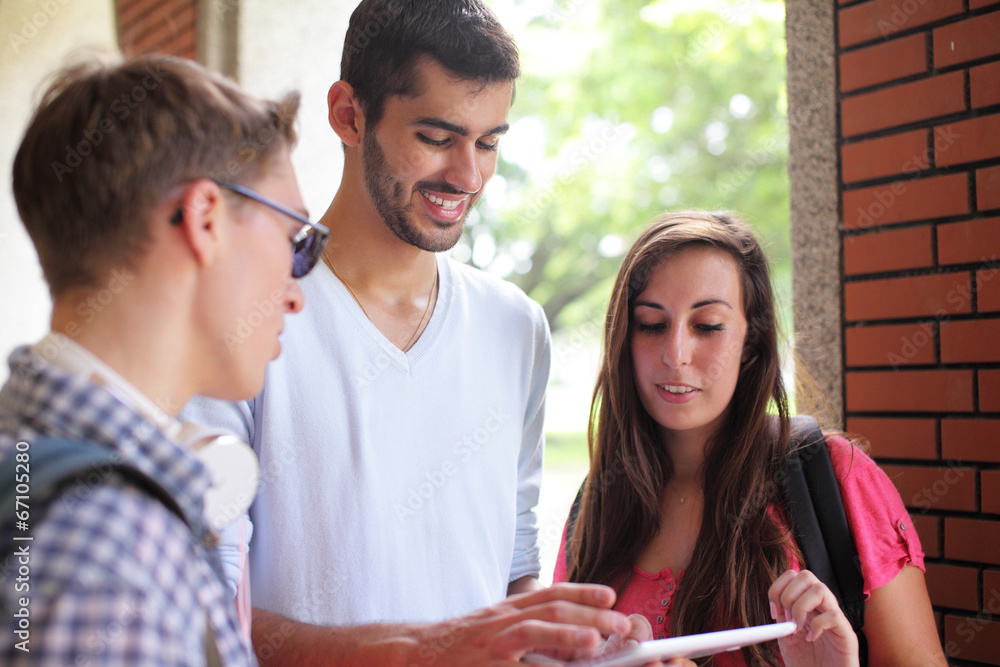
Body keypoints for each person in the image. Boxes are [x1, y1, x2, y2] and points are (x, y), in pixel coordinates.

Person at [181, 1, 669, 665]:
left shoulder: (515, 327)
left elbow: (510, 572)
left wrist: (569, 641)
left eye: (489, 142)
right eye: (438, 138)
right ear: (348, 114)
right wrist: (426, 650)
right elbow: (202, 614)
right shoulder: (244, 324)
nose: (468, 176)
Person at [0, 53, 326, 664]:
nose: (294, 292)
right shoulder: (108, 550)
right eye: (296, 242)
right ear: (204, 219)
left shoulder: (31, 474)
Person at [554, 211, 949, 667]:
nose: (675, 355)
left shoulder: (835, 476)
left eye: (707, 326)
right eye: (651, 324)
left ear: (751, 344)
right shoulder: (596, 504)